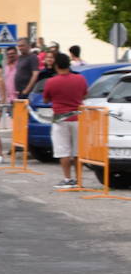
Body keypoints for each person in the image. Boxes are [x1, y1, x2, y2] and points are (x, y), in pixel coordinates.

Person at [45, 52, 88, 189]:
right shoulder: (80, 79)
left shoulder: (51, 82)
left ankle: (67, 178)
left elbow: (46, 99)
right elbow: (85, 94)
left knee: (63, 150)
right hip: (77, 117)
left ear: (56, 65)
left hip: (60, 118)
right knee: (77, 151)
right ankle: (79, 179)